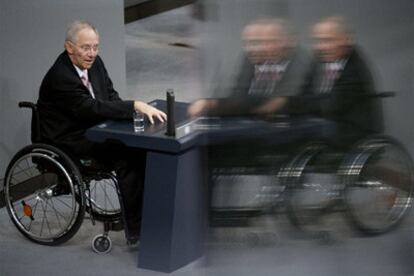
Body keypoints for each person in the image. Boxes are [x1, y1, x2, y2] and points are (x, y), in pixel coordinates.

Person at [37, 20, 166, 244]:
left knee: (143, 146)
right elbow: (91, 109)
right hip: (67, 138)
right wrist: (134, 105)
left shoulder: (95, 64)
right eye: (86, 47)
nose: (92, 53)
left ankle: (145, 215)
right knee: (127, 156)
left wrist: (129, 119)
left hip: (91, 127)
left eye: (96, 47)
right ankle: (137, 229)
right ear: (70, 47)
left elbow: (110, 97)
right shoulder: (61, 77)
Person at [188, 18, 309, 118]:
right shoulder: (252, 59)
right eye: (249, 43)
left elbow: (275, 103)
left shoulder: (304, 63)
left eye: (259, 43)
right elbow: (239, 97)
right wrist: (209, 104)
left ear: (286, 42)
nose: (251, 49)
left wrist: (212, 104)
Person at [302, 16, 383, 144]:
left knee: (298, 130)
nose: (321, 47)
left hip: (351, 127)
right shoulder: (318, 62)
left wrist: (307, 104)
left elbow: (332, 106)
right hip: (326, 122)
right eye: (318, 41)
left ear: (346, 40)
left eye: (327, 40)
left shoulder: (354, 67)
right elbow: (303, 92)